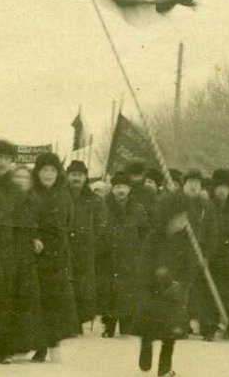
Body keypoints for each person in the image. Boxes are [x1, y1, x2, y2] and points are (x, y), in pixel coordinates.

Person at [0, 141, 41, 362]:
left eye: (7, 158)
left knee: (3, 299)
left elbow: (25, 222)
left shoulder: (16, 191)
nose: (2, 162)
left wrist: (31, 238)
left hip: (7, 251)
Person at [137, 196, 197, 377]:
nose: (184, 222)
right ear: (169, 217)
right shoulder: (154, 237)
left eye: (186, 218)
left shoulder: (185, 240)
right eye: (180, 218)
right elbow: (144, 263)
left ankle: (164, 367)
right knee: (150, 327)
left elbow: (189, 265)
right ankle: (146, 348)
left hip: (174, 292)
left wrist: (183, 281)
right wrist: (157, 274)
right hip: (154, 291)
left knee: (171, 334)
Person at [30, 151, 80, 360]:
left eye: (52, 170)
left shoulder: (63, 193)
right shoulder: (31, 193)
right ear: (38, 172)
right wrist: (33, 236)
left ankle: (54, 343)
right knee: (37, 299)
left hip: (57, 253)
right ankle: (40, 345)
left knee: (55, 300)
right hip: (36, 252)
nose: (48, 174)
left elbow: (69, 221)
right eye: (44, 170)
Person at [98, 172, 150, 338]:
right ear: (112, 189)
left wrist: (141, 253)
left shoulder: (138, 209)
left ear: (129, 189)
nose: (121, 190)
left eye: (124, 187)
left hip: (130, 257)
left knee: (128, 291)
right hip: (108, 256)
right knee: (109, 291)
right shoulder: (103, 207)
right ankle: (109, 325)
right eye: (117, 187)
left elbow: (145, 233)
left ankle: (127, 325)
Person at [198, 169, 229, 339]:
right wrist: (203, 255)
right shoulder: (207, 209)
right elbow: (201, 234)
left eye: (226, 187)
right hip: (210, 257)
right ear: (214, 189)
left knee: (227, 292)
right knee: (208, 293)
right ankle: (208, 327)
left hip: (228, 259)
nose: (222, 191)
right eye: (219, 187)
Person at [65, 159, 105, 330]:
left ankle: (80, 320)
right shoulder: (60, 196)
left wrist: (93, 243)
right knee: (66, 284)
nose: (76, 178)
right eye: (73, 175)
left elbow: (101, 225)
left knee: (83, 287)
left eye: (80, 175)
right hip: (64, 247)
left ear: (85, 178)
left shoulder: (94, 200)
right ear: (67, 176)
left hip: (85, 249)